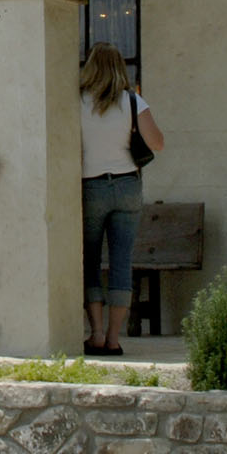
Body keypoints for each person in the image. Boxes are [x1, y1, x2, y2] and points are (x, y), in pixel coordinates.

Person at [79, 43, 162, 357]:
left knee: (89, 261)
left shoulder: (78, 102)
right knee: (121, 262)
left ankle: (96, 333)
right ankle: (114, 338)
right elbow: (158, 143)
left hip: (91, 186)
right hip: (127, 185)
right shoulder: (132, 100)